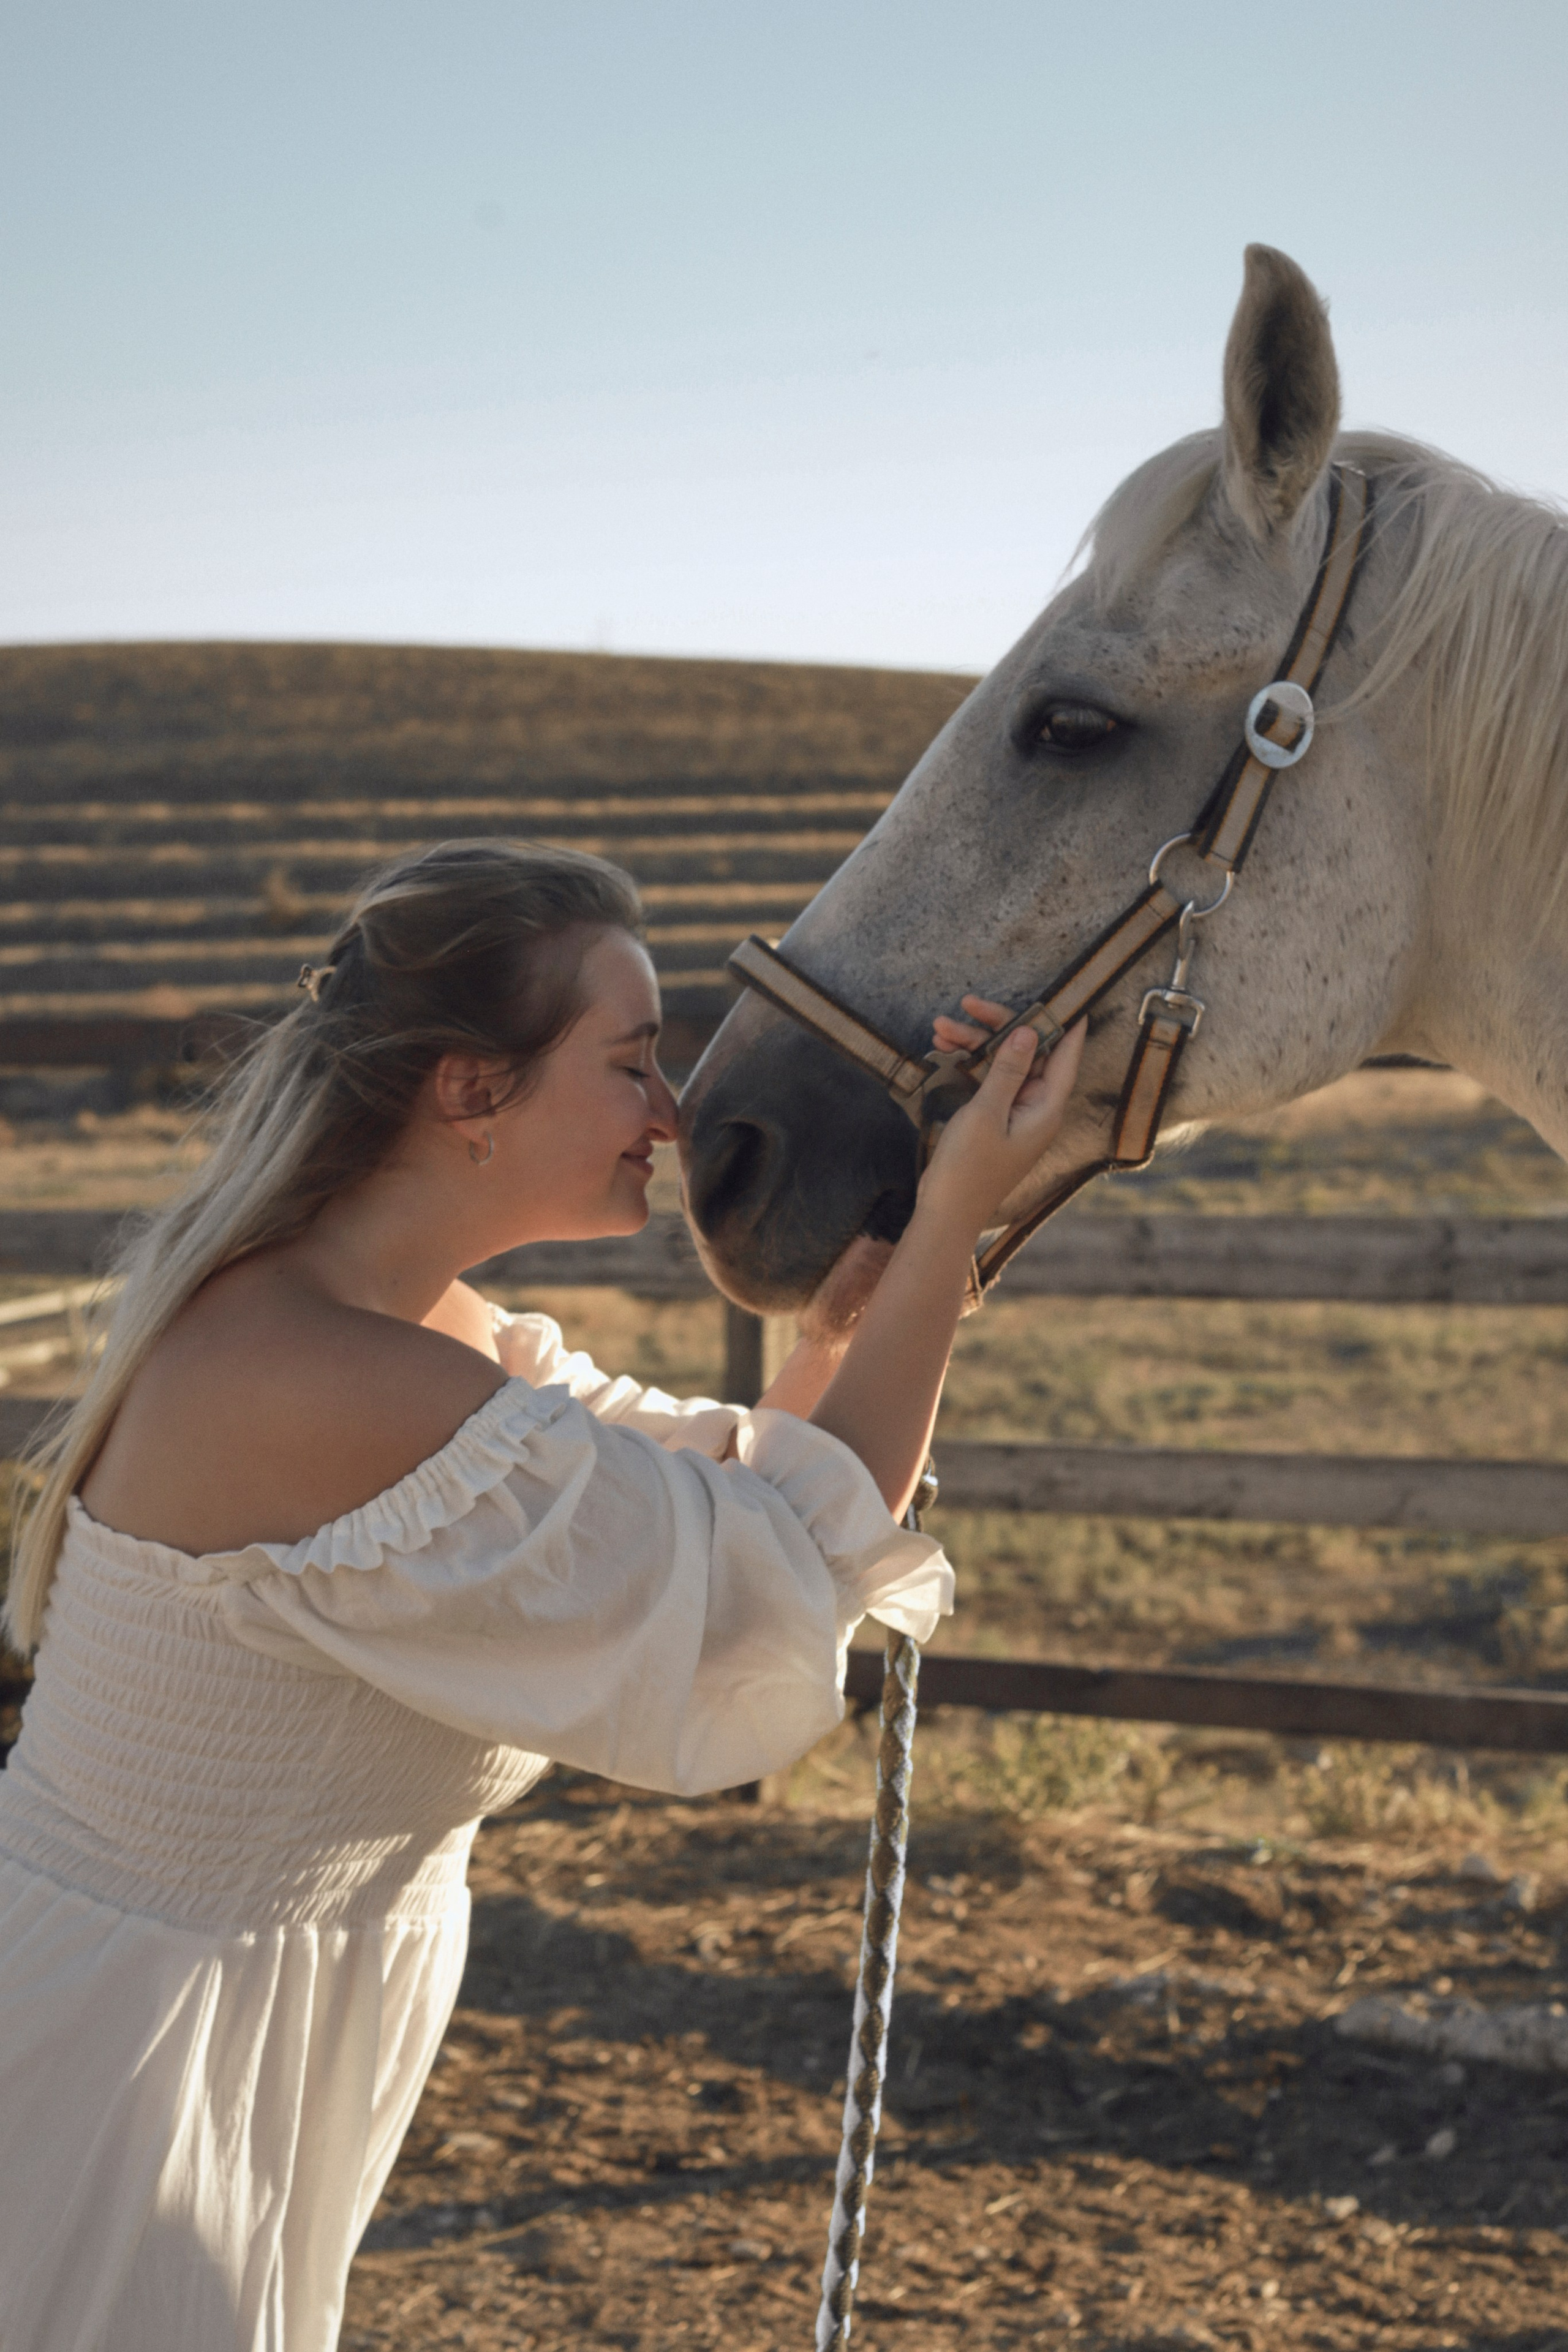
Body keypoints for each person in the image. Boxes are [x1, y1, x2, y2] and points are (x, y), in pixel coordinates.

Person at [0, 838, 1084, 2352]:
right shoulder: (328, 1377)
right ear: (470, 1092)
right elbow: (758, 1589)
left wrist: (871, 1304)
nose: (672, 1111)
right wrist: (960, 1207)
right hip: (120, 2050)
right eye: (631, 1063)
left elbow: (743, 1509)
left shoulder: (416, 1335)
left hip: (220, 2017)